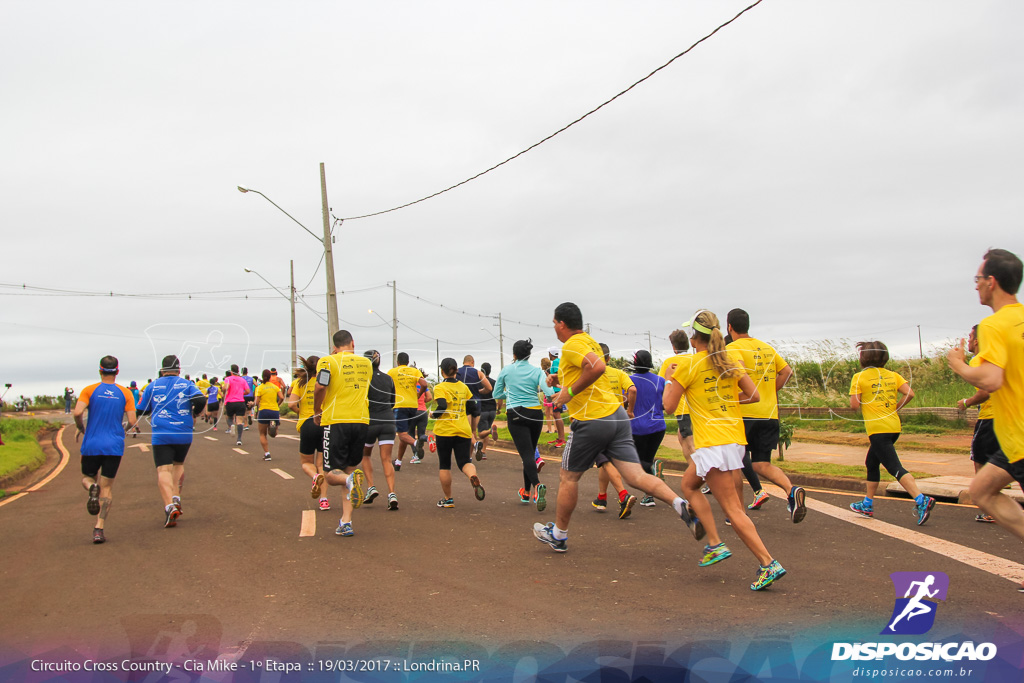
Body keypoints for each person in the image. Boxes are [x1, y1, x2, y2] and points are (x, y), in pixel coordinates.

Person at [533, 302, 702, 554]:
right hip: (618, 416)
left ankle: (558, 535)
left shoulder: (572, 345)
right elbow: (590, 370)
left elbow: (597, 368)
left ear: (561, 323)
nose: (554, 329)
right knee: (636, 476)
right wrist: (561, 378)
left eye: (554, 324)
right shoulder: (589, 341)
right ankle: (680, 504)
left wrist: (567, 392)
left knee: (568, 477)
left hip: (592, 420)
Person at [663, 310, 786, 591]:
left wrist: (670, 379)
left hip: (712, 443)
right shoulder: (729, 361)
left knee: (733, 509)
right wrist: (727, 402)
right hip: (733, 439)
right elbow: (754, 395)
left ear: (694, 339)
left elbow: (669, 406)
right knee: (689, 484)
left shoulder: (689, 366)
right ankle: (715, 543)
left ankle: (768, 562)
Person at [947, 248, 1024, 591]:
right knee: (981, 488)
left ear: (991, 282)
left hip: (1020, 436)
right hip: (1011, 439)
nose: (975, 285)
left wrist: (959, 364)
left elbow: (991, 380)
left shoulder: (994, 324)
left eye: (977, 279)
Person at [726, 308, 806, 521]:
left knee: (735, 462)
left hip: (745, 413)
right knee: (762, 464)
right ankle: (791, 490)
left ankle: (737, 512)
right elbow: (787, 372)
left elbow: (738, 374)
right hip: (769, 414)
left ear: (729, 327)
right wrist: (770, 392)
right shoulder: (767, 348)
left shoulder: (733, 349)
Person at [848, 340, 935, 525]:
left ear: (863, 358)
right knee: (871, 463)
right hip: (894, 427)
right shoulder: (893, 375)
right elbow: (909, 394)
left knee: (895, 467)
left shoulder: (859, 377)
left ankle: (921, 499)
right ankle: (867, 504)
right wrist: (894, 407)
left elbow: (854, 405)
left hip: (877, 429)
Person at [136, 355, 207, 528]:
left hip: (162, 432)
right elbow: (200, 400)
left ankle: (169, 506)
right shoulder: (188, 384)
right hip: (184, 432)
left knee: (163, 469)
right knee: (178, 464)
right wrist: (195, 413)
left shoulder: (152, 386)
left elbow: (141, 410)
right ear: (179, 370)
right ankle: (176, 495)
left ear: (162, 370)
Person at [73, 355, 137, 544]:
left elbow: (77, 412)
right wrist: (122, 431)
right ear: (117, 371)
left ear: (100, 370)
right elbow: (132, 421)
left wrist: (80, 427)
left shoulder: (89, 390)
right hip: (114, 446)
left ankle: (92, 487)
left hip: (92, 444)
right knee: (107, 488)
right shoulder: (125, 393)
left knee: (88, 477)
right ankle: (99, 528)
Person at [314, 330, 371, 537]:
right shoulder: (366, 363)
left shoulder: (327, 361)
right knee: (348, 470)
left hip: (336, 420)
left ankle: (348, 481)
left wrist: (316, 410)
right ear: (353, 343)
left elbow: (320, 386)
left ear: (335, 346)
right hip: (361, 420)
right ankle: (346, 522)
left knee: (331, 475)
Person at [492, 339, 555, 510]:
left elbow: (496, 393)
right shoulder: (537, 371)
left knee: (526, 454)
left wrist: (510, 395)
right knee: (529, 452)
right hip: (535, 413)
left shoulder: (506, 370)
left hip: (516, 413)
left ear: (514, 355)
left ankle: (537, 485)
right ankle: (526, 492)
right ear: (528, 355)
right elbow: (549, 392)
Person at [592, 343, 638, 518]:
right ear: (609, 358)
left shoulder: (592, 374)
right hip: (619, 419)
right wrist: (630, 410)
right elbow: (632, 389)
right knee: (605, 460)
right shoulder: (619, 373)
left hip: (599, 420)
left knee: (603, 459)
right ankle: (601, 498)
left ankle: (622, 495)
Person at [432, 357, 486, 507]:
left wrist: (433, 414)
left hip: (444, 431)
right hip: (463, 430)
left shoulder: (440, 387)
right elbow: (473, 408)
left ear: (442, 372)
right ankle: (473, 476)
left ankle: (448, 499)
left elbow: (442, 406)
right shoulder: (464, 387)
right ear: (456, 370)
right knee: (464, 462)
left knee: (444, 465)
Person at [957, 325, 997, 522]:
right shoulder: (1000, 358)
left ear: (978, 341)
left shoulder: (978, 360)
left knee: (980, 461)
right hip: (1011, 418)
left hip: (990, 418)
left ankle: (989, 509)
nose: (969, 340)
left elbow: (985, 392)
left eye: (970, 336)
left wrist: (967, 402)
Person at [288, 356, 330, 511]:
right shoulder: (326, 382)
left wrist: (301, 413)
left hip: (307, 423)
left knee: (306, 463)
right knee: (322, 465)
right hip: (324, 422)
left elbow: (291, 404)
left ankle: (314, 477)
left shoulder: (299, 383)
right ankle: (324, 500)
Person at [360, 350, 399, 510]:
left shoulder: (363, 380)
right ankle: (392, 494)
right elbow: (392, 402)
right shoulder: (388, 378)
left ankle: (371, 487)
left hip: (370, 421)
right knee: (386, 459)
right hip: (388, 421)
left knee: (365, 455)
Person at [628, 350, 667, 507]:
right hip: (658, 426)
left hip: (637, 427)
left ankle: (651, 485)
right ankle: (649, 493)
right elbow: (664, 403)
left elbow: (625, 400)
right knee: (647, 458)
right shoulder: (660, 380)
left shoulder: (629, 380)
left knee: (638, 464)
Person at [388, 352, 430, 471]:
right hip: (413, 406)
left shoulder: (392, 372)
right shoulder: (415, 371)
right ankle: (398, 462)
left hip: (400, 406)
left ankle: (416, 444)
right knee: (404, 434)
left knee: (402, 434)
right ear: (407, 362)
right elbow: (424, 383)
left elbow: (386, 385)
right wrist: (419, 394)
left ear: (398, 362)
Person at [658, 330, 694, 463]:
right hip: (698, 408)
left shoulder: (670, 362)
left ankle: (697, 472)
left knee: (689, 445)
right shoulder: (695, 359)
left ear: (674, 347)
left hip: (682, 408)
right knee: (683, 436)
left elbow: (661, 384)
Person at [456, 355, 493, 459]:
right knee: (473, 431)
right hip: (476, 402)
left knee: (465, 431)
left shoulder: (457, 372)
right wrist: (479, 392)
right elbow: (489, 388)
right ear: (472, 362)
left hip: (463, 402)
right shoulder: (478, 373)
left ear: (464, 362)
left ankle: (472, 449)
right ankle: (470, 456)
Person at [254, 369, 284, 462]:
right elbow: (282, 397)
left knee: (262, 434)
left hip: (264, 411)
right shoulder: (274, 387)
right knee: (273, 434)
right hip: (274, 411)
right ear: (270, 377)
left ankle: (267, 453)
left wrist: (254, 406)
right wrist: (277, 404)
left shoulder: (259, 387)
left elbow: (257, 402)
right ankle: (273, 427)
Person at [221, 366, 249, 446]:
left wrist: (223, 389)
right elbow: (247, 391)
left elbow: (226, 387)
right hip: (240, 402)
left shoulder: (228, 379)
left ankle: (231, 425)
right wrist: (241, 393)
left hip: (230, 402)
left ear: (231, 372)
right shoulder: (242, 379)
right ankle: (239, 439)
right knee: (240, 421)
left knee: (229, 417)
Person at [408, 371, 432, 464]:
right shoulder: (422, 384)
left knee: (410, 435)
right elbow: (429, 397)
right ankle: (427, 439)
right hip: (423, 412)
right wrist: (422, 402)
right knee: (421, 434)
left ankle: (416, 455)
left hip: (412, 411)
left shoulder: (409, 384)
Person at [475, 362, 498, 459]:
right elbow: (498, 396)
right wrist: (498, 408)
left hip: (482, 410)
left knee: (481, 433)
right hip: (492, 410)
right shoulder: (494, 382)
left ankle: (490, 432)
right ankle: (483, 451)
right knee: (487, 428)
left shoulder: (478, 382)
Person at [546, 347, 567, 447]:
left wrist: (549, 375)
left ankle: (562, 439)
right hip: (559, 390)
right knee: (555, 414)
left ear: (551, 354)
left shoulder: (555, 362)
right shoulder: (560, 361)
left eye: (549, 353)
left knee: (556, 414)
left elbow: (557, 375)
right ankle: (559, 438)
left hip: (557, 391)